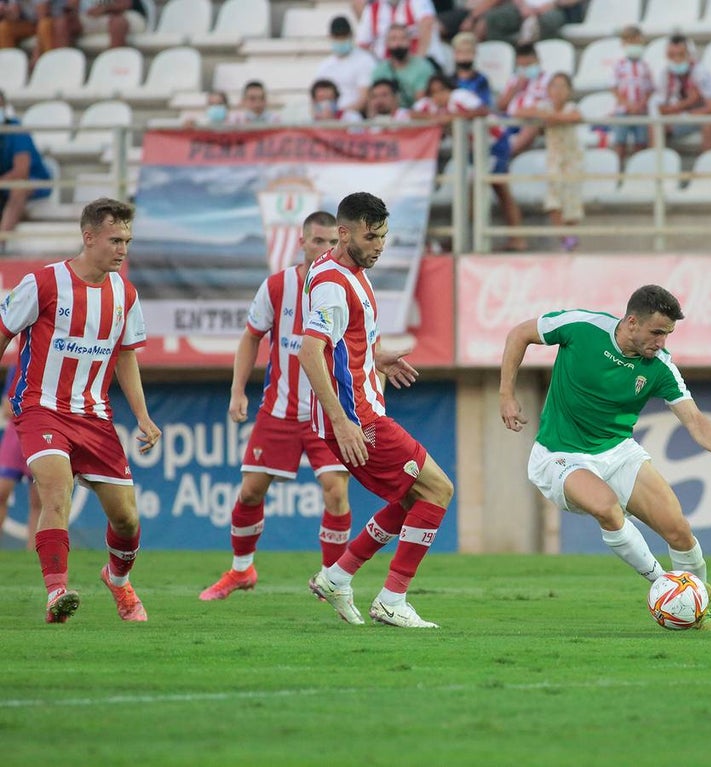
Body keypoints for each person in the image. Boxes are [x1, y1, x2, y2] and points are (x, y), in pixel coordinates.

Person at [499, 284, 711, 631]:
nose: (662, 342)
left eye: (668, 334)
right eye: (657, 332)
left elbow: (693, 418)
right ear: (632, 322)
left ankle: (697, 609)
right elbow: (520, 334)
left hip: (618, 452)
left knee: (679, 531)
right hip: (559, 455)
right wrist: (506, 394)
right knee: (606, 507)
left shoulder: (660, 367)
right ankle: (664, 585)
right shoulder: (582, 327)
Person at [0, 197, 162, 623]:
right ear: (89, 237)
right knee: (55, 493)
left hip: (94, 416)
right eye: (114, 239)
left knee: (126, 520)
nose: (122, 248)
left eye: (127, 240)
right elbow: (3, 332)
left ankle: (119, 580)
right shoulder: (44, 283)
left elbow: (126, 355)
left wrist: (143, 416)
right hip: (41, 408)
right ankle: (57, 593)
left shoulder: (125, 293)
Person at [301, 192, 455, 628]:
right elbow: (310, 353)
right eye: (371, 236)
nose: (379, 245)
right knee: (439, 490)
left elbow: (343, 343)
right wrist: (342, 421)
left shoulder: (350, 272)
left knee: (410, 498)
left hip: (363, 410)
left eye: (384, 236)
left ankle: (337, 575)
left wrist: (376, 357)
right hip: (360, 418)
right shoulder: (334, 281)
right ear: (344, 232)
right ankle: (392, 598)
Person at [199, 212, 355, 601]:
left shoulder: (342, 285)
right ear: (301, 243)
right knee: (250, 491)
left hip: (325, 410)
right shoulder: (276, 286)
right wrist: (237, 391)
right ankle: (241, 571)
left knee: (335, 490)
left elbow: (359, 344)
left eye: (329, 243)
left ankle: (332, 581)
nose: (323, 248)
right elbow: (251, 337)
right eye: (316, 241)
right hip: (280, 410)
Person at [412, 73, 525, 251]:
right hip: (473, 150)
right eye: (434, 92)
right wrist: (437, 119)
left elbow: (483, 110)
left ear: (450, 89)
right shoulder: (432, 106)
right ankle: (467, 238)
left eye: (442, 90)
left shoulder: (460, 97)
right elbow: (411, 114)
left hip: (493, 144)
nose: (438, 95)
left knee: (494, 189)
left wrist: (453, 117)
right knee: (489, 190)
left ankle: (465, 238)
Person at [518, 72, 583, 251]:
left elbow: (576, 117)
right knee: (553, 201)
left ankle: (571, 239)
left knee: (571, 202)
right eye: (554, 86)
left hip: (572, 160)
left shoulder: (571, 107)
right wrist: (542, 114)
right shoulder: (544, 107)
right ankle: (565, 238)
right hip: (554, 159)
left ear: (569, 91)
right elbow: (519, 111)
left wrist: (550, 117)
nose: (558, 91)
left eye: (563, 86)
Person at [656, 34, 711, 153]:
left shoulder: (700, 72)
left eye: (680, 55)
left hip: (706, 116)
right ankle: (659, 167)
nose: (676, 59)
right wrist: (687, 102)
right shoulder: (665, 74)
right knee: (655, 125)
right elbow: (661, 109)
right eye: (671, 55)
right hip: (686, 116)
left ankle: (706, 167)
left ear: (690, 55)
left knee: (709, 122)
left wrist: (685, 113)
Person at [0, 89, 53, 245]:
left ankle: (2, 242)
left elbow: (21, 172)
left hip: (35, 181)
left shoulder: (17, 130)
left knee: (19, 187)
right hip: (4, 184)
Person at [0, 367, 41, 550]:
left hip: (41, 433)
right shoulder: (18, 366)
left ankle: (33, 551)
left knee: (39, 498)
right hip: (16, 433)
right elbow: (7, 409)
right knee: (2, 490)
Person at [357, 0, 448, 71]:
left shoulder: (418, 1)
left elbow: (427, 25)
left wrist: (417, 61)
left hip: (422, 61)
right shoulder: (373, 7)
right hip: (388, 67)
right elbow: (362, 43)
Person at [314, 16, 377, 117]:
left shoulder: (365, 60)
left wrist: (340, 114)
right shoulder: (324, 66)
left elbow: (364, 98)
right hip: (328, 117)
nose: (340, 40)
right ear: (330, 37)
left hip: (355, 115)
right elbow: (316, 97)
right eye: (337, 37)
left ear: (351, 35)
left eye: (343, 36)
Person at [496, 42, 551, 157]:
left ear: (537, 60)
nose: (525, 69)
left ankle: (504, 157)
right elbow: (501, 105)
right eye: (522, 66)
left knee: (533, 124)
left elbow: (551, 106)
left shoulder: (549, 81)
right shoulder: (514, 80)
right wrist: (516, 88)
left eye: (529, 65)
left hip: (533, 121)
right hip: (510, 119)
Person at [611, 24, 654, 163]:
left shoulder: (645, 65)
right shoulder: (619, 65)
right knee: (620, 142)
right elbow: (614, 88)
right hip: (623, 110)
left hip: (641, 110)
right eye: (630, 41)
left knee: (641, 142)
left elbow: (649, 89)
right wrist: (627, 104)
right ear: (623, 44)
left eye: (637, 41)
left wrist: (640, 104)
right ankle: (618, 170)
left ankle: (639, 168)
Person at [370, 24, 437, 109]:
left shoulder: (423, 67)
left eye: (403, 38)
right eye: (393, 39)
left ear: (409, 41)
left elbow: (422, 100)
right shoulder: (380, 70)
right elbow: (374, 100)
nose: (398, 43)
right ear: (387, 43)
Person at [451, 31, 492, 107]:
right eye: (460, 52)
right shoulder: (449, 80)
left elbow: (485, 105)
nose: (464, 56)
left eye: (468, 51)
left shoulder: (481, 80)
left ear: (475, 53)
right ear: (455, 54)